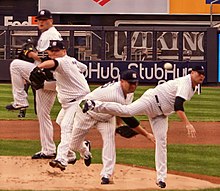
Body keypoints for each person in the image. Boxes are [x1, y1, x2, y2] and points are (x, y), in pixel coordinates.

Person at [83, 65, 205, 188]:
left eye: (203, 74)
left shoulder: (193, 87)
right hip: (152, 100)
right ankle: (94, 104)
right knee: (127, 111)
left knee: (161, 142)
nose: (201, 76)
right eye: (199, 73)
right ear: (192, 73)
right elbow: (178, 104)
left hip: (161, 115)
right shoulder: (185, 82)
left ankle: (161, 178)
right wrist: (187, 124)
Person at [52, 69, 154, 184]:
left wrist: (118, 125)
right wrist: (147, 134)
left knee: (109, 141)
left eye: (135, 83)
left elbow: (121, 111)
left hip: (106, 118)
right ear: (122, 81)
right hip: (87, 115)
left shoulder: (129, 93)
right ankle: (85, 149)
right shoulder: (115, 94)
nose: (133, 86)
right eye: (130, 83)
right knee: (74, 145)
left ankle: (107, 175)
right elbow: (128, 117)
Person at [5, 9, 63, 159]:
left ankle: (20, 102)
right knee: (43, 115)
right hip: (51, 81)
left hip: (48, 75)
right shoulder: (47, 34)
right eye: (39, 19)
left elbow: (51, 55)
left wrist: (31, 54)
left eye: (44, 19)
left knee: (15, 65)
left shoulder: (51, 34)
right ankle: (48, 150)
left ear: (51, 20)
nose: (41, 22)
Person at [34, 40, 91, 170]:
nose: (54, 53)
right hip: (69, 103)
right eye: (51, 51)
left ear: (64, 52)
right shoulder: (71, 60)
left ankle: (62, 159)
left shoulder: (63, 61)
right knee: (60, 121)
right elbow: (84, 68)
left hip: (79, 101)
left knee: (66, 126)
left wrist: (39, 67)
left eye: (57, 51)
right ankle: (82, 149)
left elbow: (53, 63)